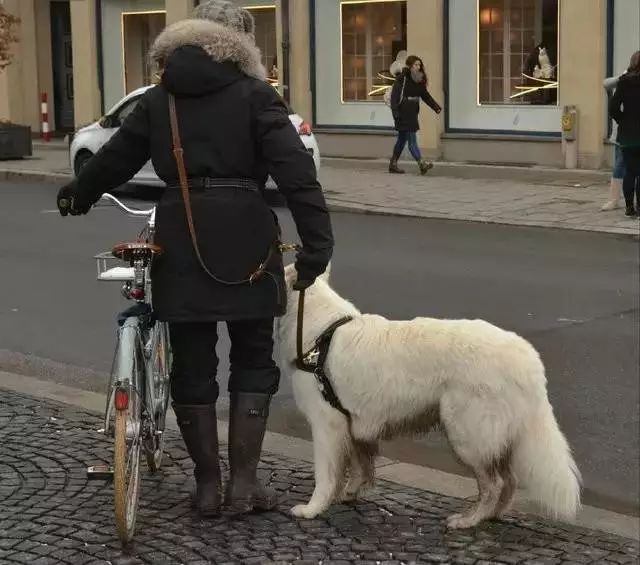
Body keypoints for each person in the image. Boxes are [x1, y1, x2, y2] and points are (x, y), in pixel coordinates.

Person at [56, 0, 333, 516]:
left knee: (192, 361)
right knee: (253, 356)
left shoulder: (162, 99)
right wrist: (318, 246)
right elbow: (297, 174)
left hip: (181, 233)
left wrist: (79, 192)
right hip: (249, 235)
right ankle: (244, 485)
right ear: (242, 44)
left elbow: (115, 157)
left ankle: (207, 487)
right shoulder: (256, 95)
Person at [388, 55, 441, 175]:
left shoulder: (419, 80)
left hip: (412, 113)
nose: (418, 67)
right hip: (402, 113)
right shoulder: (402, 79)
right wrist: (396, 114)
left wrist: (436, 107)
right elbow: (394, 98)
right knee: (412, 140)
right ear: (410, 66)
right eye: (415, 65)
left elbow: (425, 96)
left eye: (419, 65)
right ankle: (422, 164)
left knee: (402, 140)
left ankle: (393, 164)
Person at [610, 50, 640, 217]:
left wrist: (623, 121)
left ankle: (629, 207)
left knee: (630, 171)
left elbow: (613, 108)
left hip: (627, 135)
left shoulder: (623, 82)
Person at [601, 72, 626, 211]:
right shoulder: (625, 78)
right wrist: (622, 77)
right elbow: (606, 83)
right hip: (622, 131)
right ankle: (614, 199)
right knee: (619, 164)